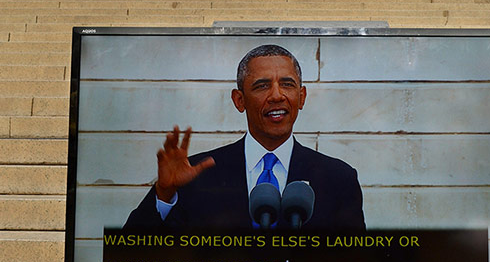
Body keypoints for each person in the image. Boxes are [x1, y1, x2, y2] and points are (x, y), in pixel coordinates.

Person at [124, 44, 365, 231]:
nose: (277, 95)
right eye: (262, 86)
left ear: (301, 97)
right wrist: (164, 194)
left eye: (287, 85)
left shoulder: (338, 179)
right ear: (239, 100)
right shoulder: (195, 175)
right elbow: (129, 254)